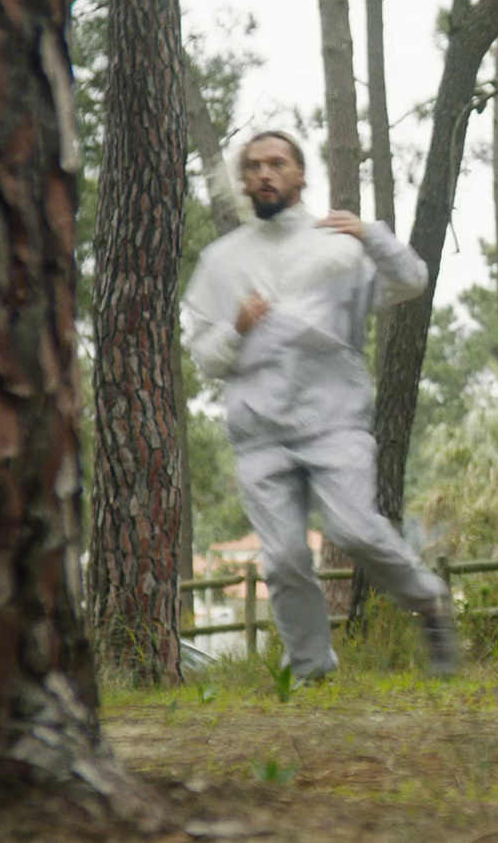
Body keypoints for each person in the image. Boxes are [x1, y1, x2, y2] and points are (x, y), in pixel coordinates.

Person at [182, 130, 459, 681]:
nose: (265, 173)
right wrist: (238, 328)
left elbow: (411, 281)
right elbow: (206, 362)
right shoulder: (220, 262)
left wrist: (370, 232)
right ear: (244, 180)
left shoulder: (337, 249)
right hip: (260, 436)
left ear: (300, 175)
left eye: (278, 164)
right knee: (283, 559)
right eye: (254, 166)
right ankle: (311, 671)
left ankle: (427, 602)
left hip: (335, 425)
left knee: (355, 529)